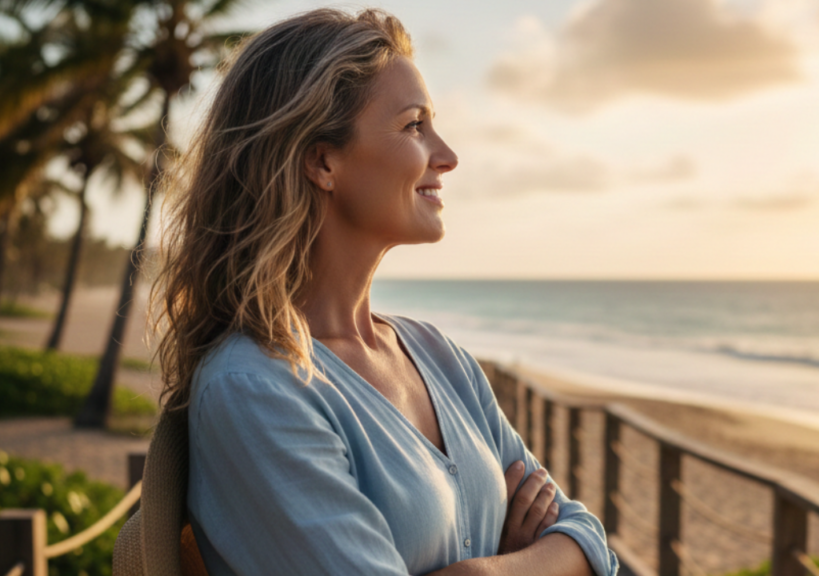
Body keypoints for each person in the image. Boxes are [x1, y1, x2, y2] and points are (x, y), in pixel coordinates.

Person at [151, 8, 619, 576]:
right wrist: (524, 561)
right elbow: (569, 554)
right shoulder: (253, 388)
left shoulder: (439, 356)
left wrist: (484, 572)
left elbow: (589, 541)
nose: (447, 156)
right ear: (323, 161)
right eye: (414, 125)